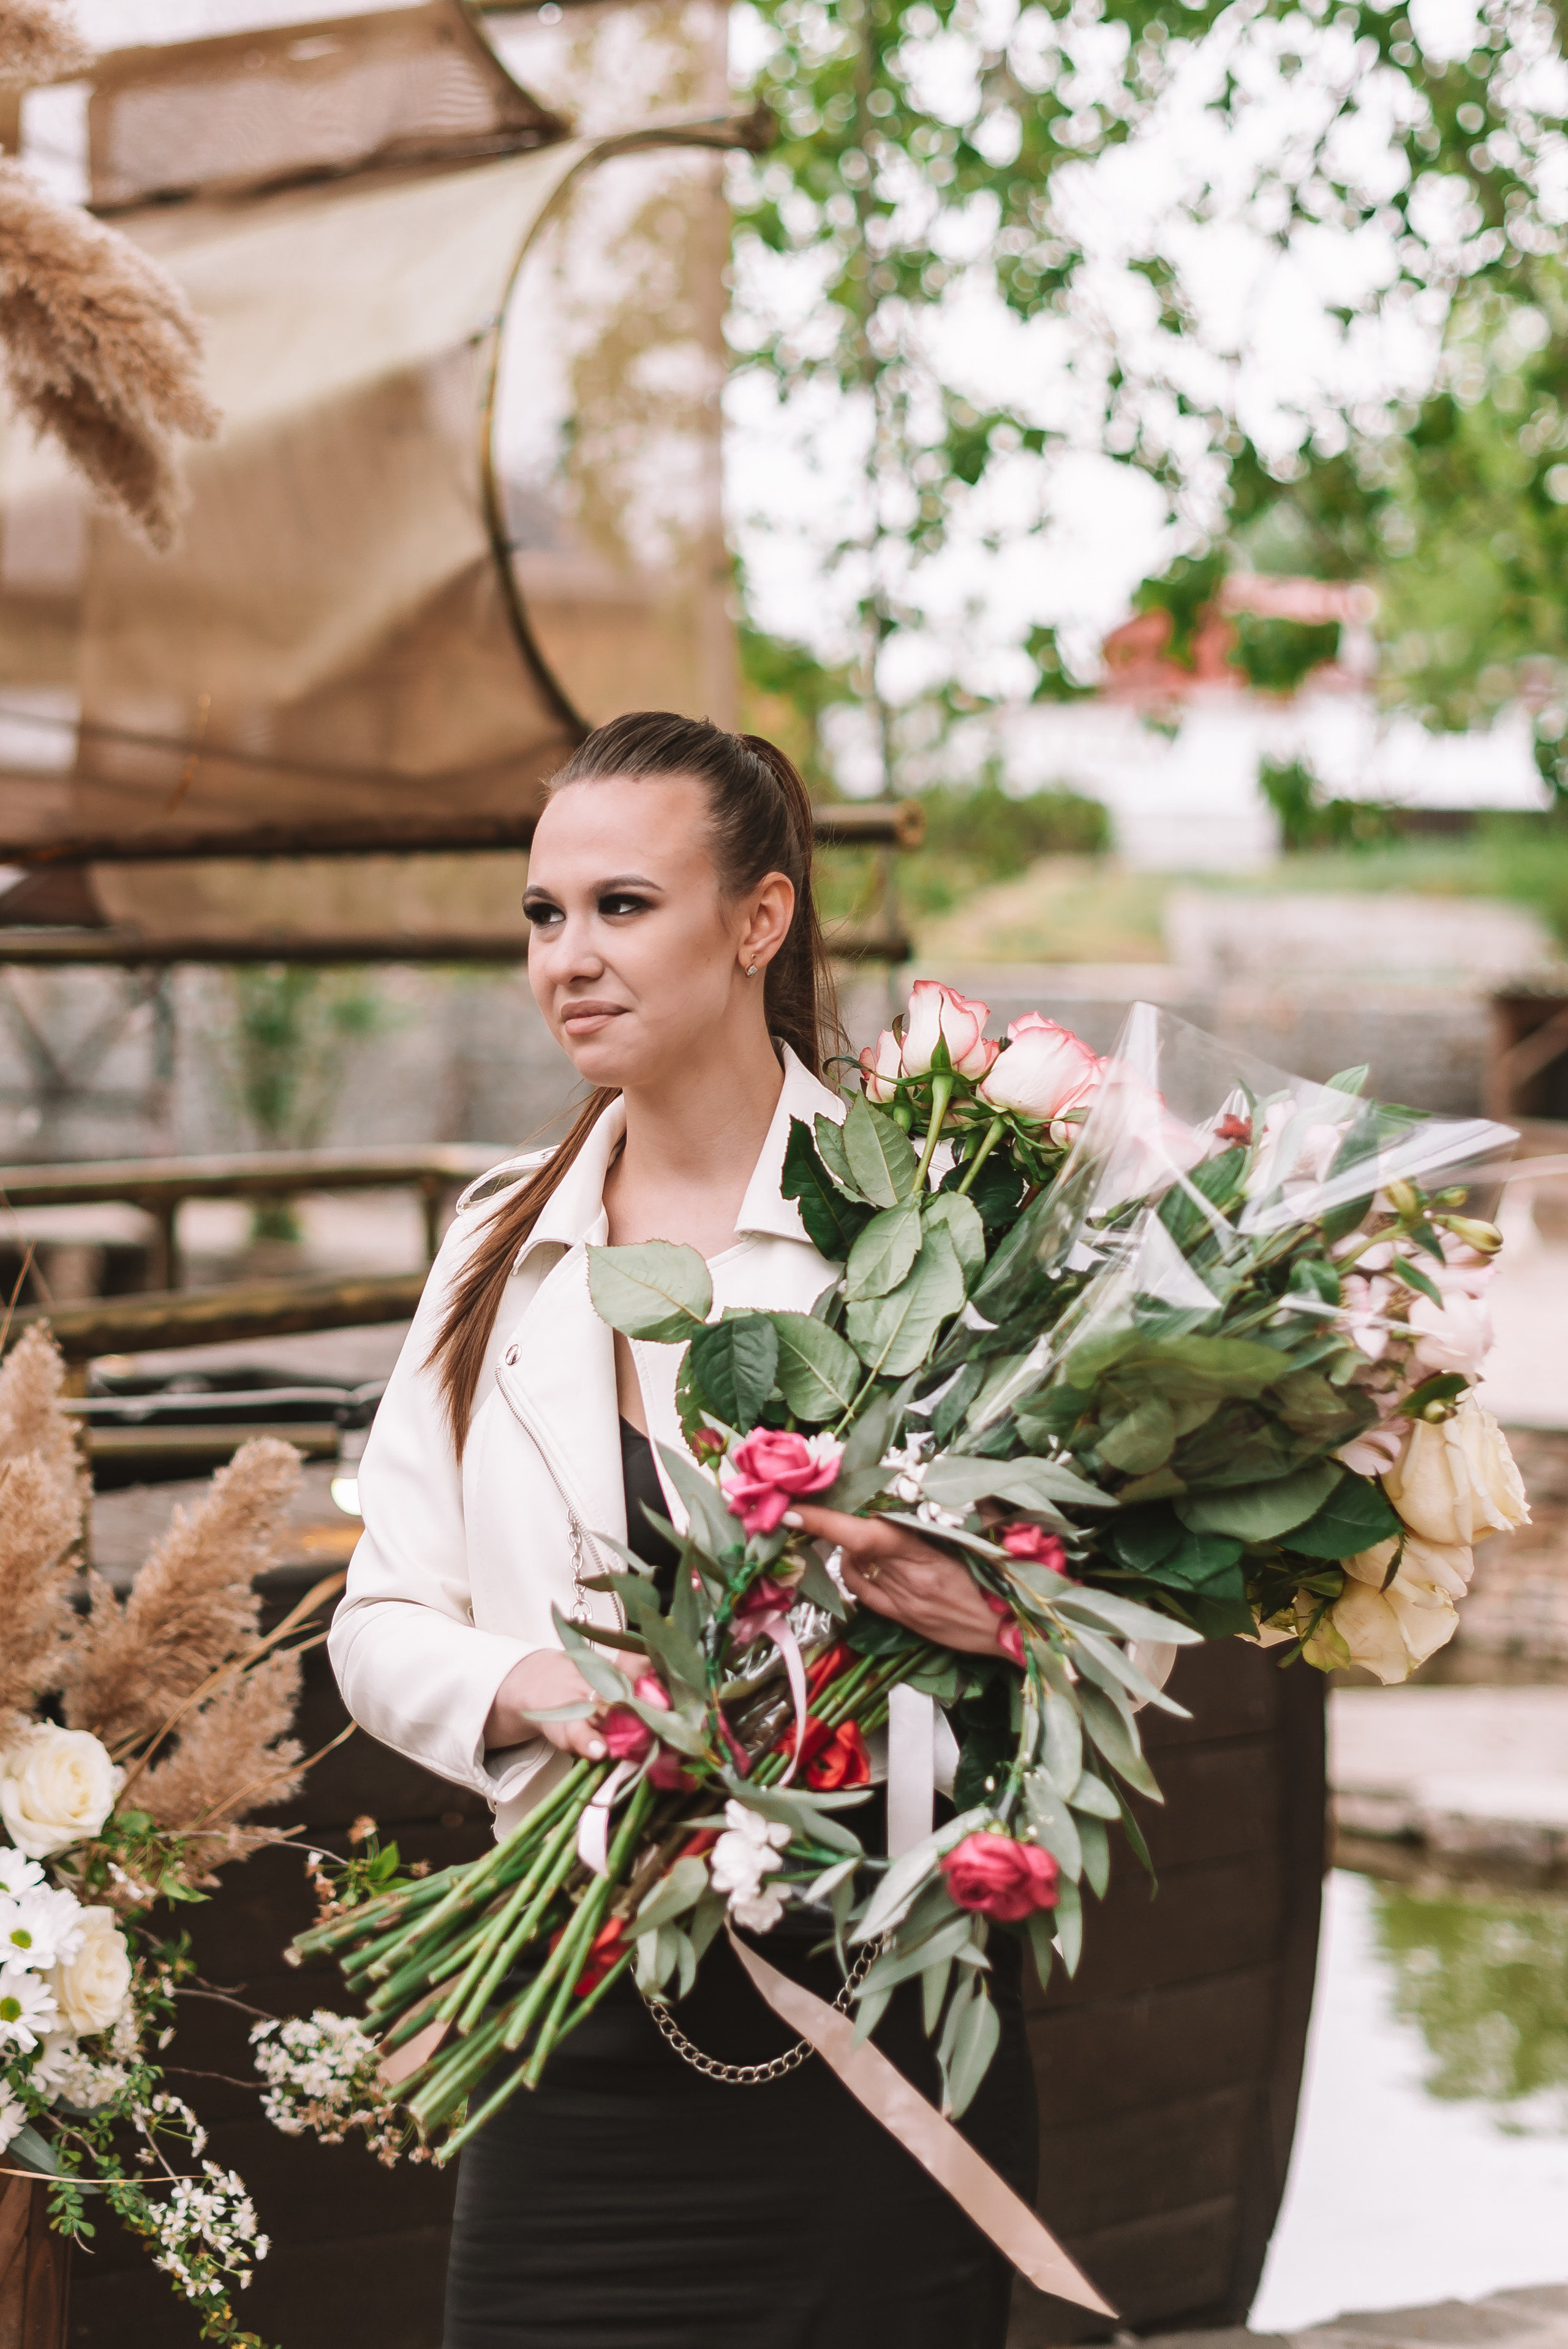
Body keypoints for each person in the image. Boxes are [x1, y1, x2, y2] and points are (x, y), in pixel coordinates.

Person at [329, 711, 1038, 2349]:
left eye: (622, 905)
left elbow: (1094, 1616)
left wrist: (981, 1608)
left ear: (759, 919)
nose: (569, 956)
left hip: (879, 2013)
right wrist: (537, 1691)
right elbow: (380, 1620)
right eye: (543, 914)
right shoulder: (500, 1240)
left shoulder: (924, 1222)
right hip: (567, 2003)